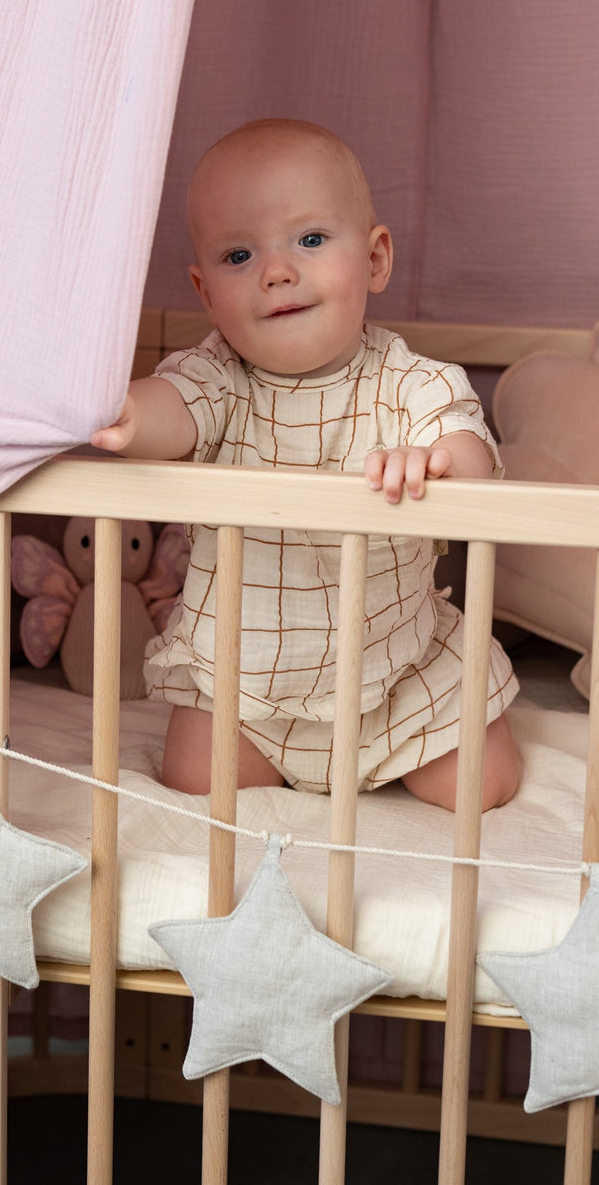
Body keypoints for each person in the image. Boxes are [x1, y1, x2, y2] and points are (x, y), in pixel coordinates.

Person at [91, 118, 520, 811]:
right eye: (238, 256)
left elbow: (468, 451)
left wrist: (437, 465)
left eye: (311, 240)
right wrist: (126, 412)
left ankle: (411, 744)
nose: (277, 271)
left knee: (483, 787)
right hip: (243, 683)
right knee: (195, 781)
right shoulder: (219, 379)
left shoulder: (410, 382)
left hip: (397, 667)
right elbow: (173, 408)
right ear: (205, 293)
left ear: (376, 259)